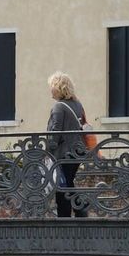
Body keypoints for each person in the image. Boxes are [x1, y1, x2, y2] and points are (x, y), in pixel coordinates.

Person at [45, 72, 89, 218]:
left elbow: (55, 133)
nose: (50, 90)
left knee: (61, 185)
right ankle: (79, 209)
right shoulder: (77, 104)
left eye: (52, 87)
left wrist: (48, 151)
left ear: (58, 88)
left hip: (64, 153)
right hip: (78, 151)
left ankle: (66, 216)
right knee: (67, 182)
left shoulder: (59, 107)